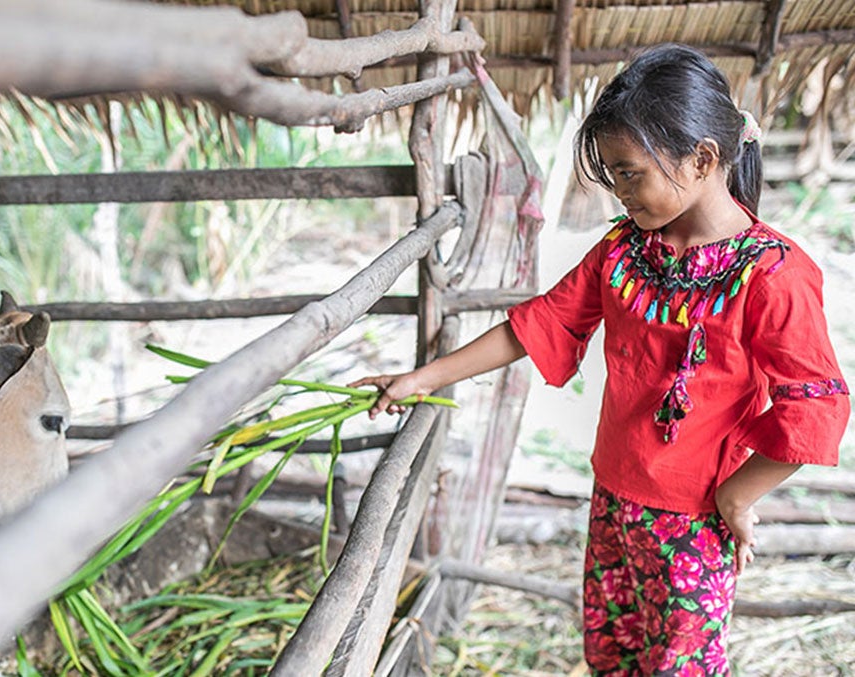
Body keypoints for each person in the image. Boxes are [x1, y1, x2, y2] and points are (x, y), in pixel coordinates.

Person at [350, 43, 850, 675]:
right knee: (613, 656)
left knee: (680, 666)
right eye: (612, 175)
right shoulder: (625, 252)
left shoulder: (774, 275)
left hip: (695, 525)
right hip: (613, 500)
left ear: (701, 159)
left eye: (629, 172)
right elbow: (541, 324)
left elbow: (819, 407)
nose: (619, 192)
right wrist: (421, 379)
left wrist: (736, 499)